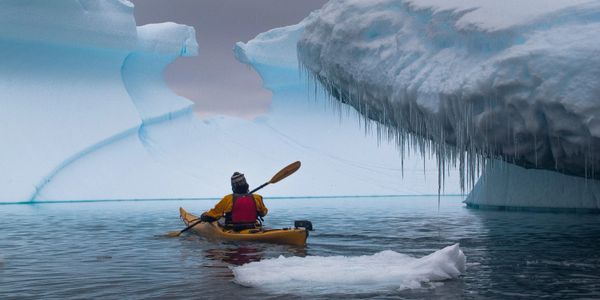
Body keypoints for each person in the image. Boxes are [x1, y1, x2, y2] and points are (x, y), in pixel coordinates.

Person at [200, 172, 268, 230]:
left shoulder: (228, 199)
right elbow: (263, 213)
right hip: (253, 227)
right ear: (246, 185)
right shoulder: (257, 197)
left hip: (233, 229)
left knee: (220, 219)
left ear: (233, 187)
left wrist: (204, 216)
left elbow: (213, 215)